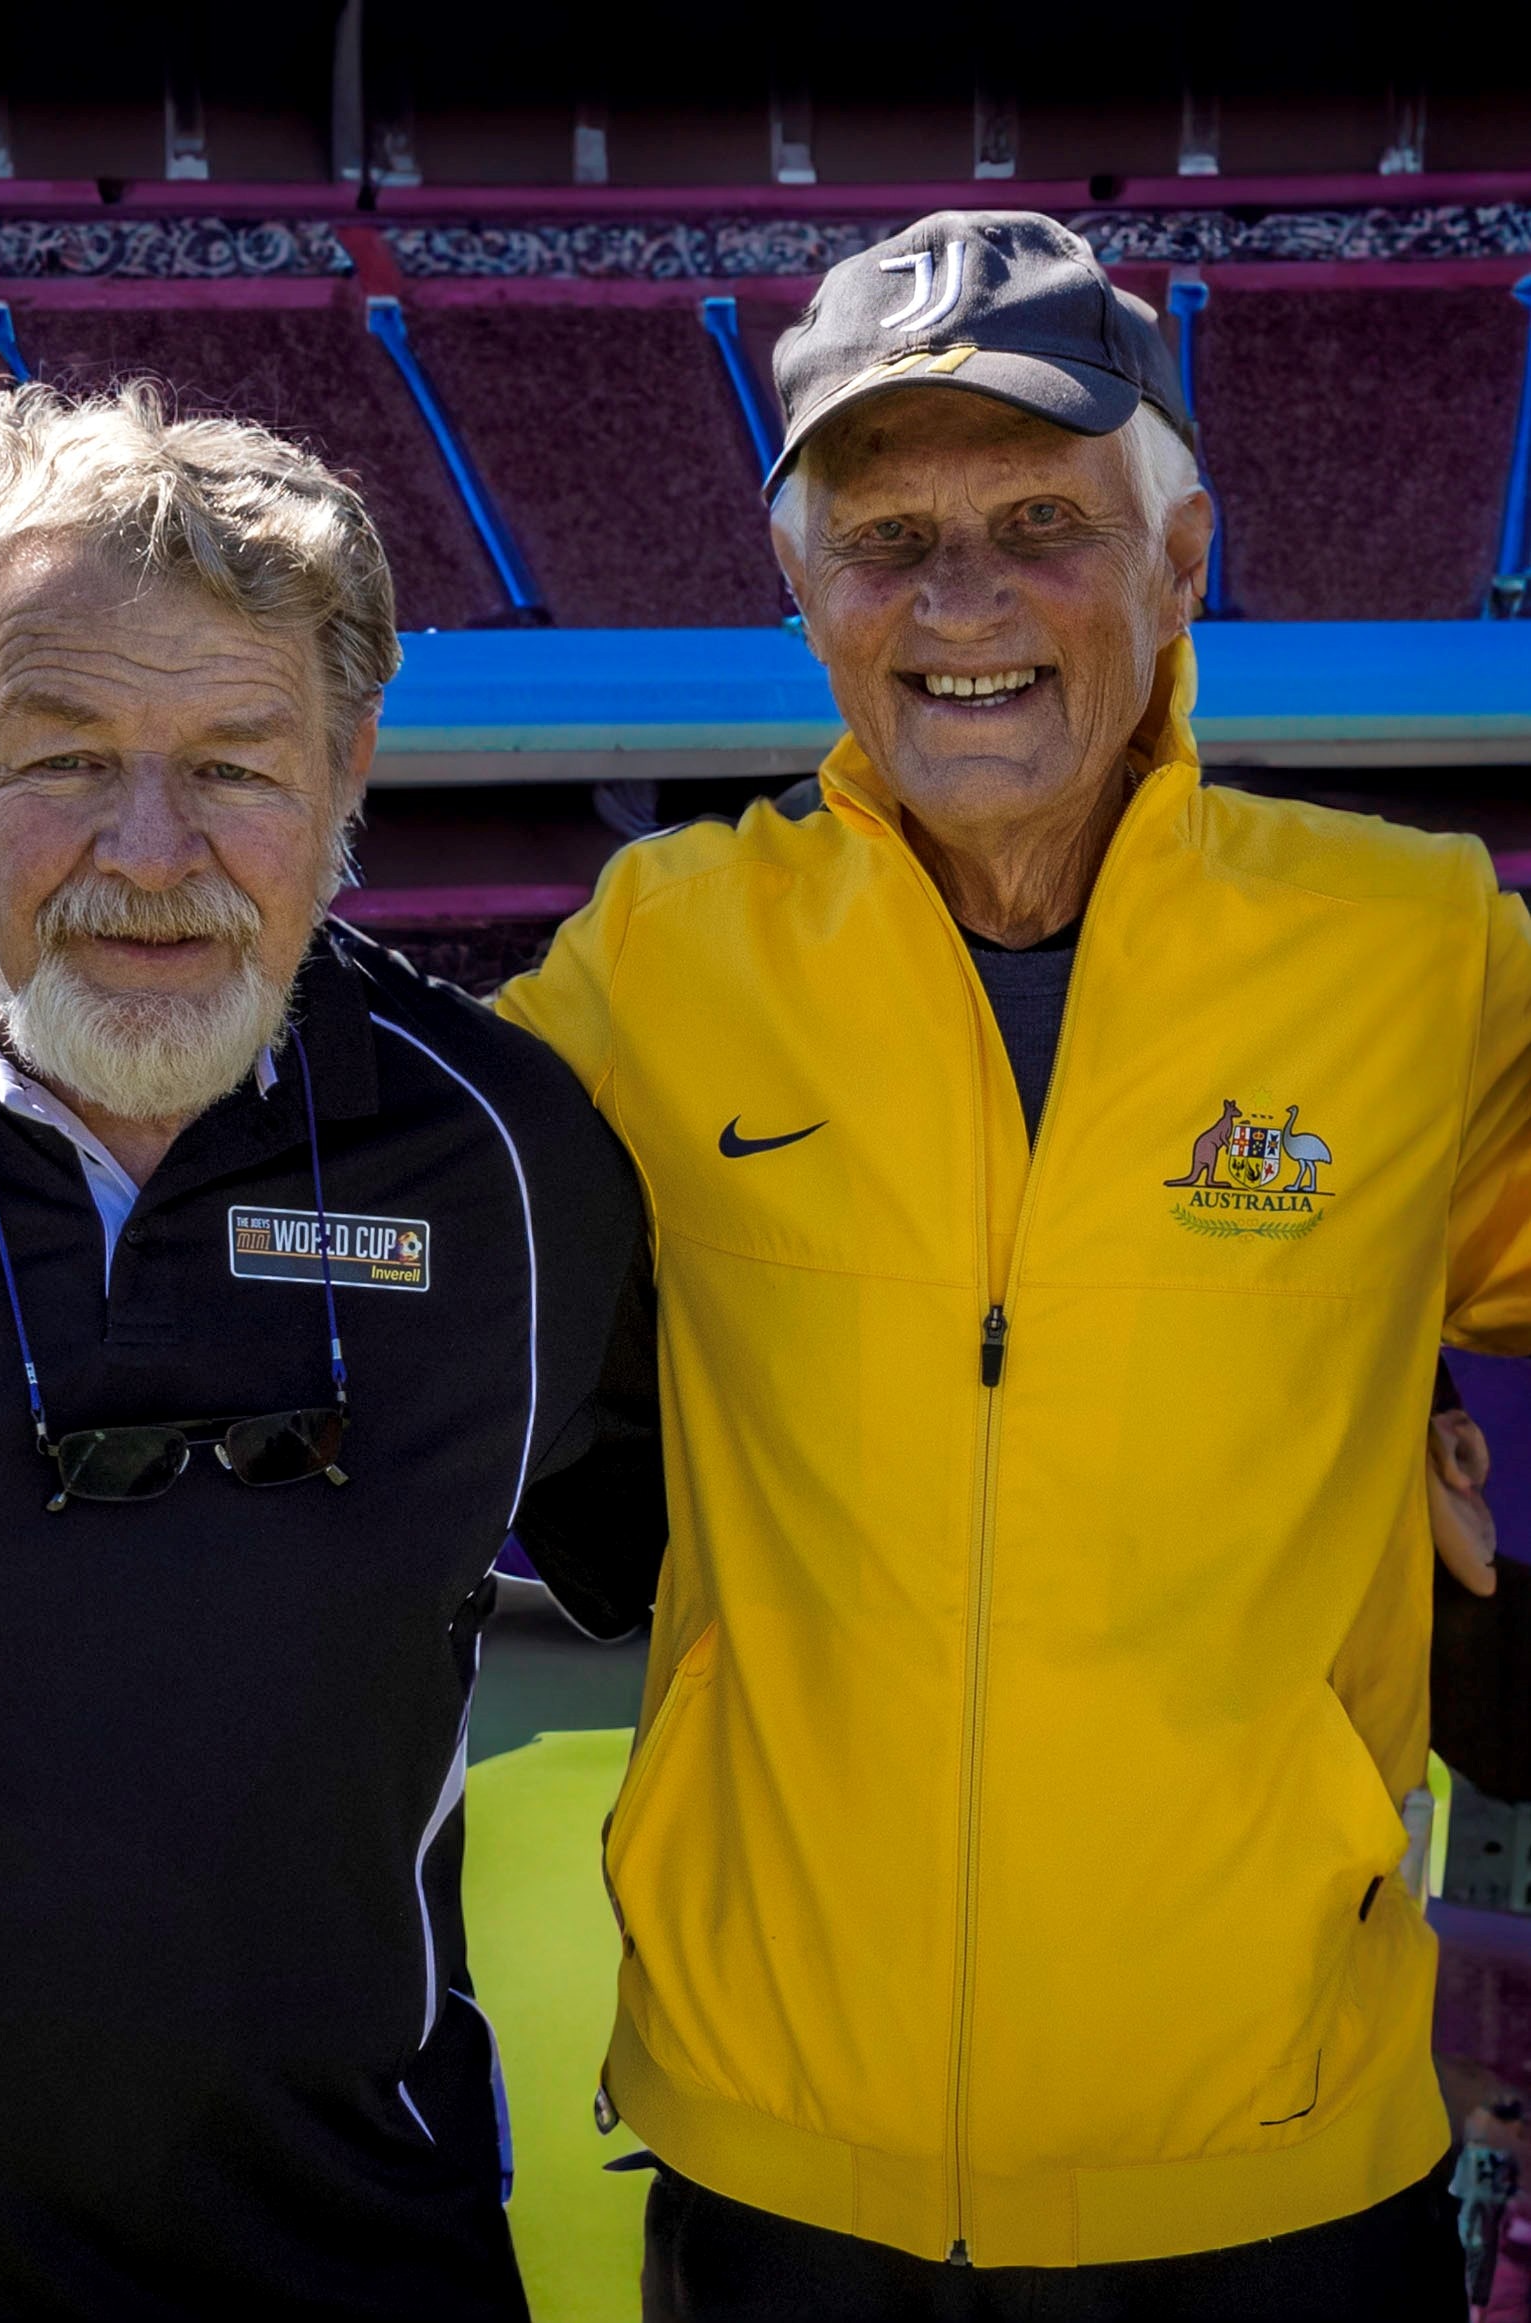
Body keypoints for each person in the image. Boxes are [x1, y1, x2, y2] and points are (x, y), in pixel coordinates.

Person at [498, 211, 1531, 2319]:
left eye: (1042, 520)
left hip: (1275, 2169)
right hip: (778, 2170)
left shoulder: (1424, 952)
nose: (959, 600)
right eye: (885, 540)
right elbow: (393, 1241)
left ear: (1181, 558)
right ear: (805, 594)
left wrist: (1482, 1530)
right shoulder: (657, 954)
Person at [0, 383, 658, 2321]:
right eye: (64, 754)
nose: (150, 853)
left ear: (350, 761)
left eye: (237, 763)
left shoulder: (510, 1168)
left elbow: (726, 1575)